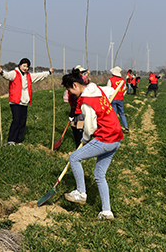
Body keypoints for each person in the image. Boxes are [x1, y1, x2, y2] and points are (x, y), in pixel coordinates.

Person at [61, 69, 124, 221]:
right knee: (99, 175)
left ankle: (81, 193)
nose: (70, 93)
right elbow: (110, 90)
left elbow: (89, 128)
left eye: (69, 89)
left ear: (75, 85)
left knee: (74, 158)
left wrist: (85, 138)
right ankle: (106, 211)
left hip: (105, 138)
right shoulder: (96, 89)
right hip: (116, 138)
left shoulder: (86, 102)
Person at [0, 58, 53, 145]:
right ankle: (11, 140)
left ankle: (19, 140)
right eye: (24, 66)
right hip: (15, 102)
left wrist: (48, 73)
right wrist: (1, 72)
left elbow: (39, 76)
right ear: (19, 65)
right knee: (16, 120)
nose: (25, 68)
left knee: (22, 121)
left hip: (24, 102)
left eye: (27, 67)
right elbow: (7, 75)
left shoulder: (28, 76)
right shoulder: (14, 73)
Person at [63, 65, 89, 147]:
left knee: (79, 126)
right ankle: (77, 142)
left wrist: (71, 114)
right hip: (75, 109)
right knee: (73, 125)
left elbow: (75, 103)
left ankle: (80, 145)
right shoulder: (74, 85)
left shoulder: (75, 88)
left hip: (79, 109)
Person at [106, 66, 129, 132]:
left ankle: (115, 128)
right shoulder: (123, 80)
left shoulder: (111, 80)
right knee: (122, 113)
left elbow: (108, 89)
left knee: (114, 114)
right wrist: (122, 95)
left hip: (113, 98)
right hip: (120, 99)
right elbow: (124, 90)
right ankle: (126, 127)